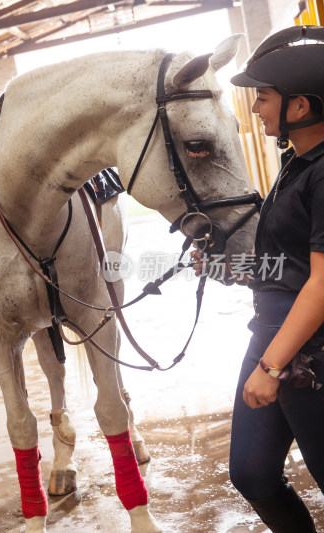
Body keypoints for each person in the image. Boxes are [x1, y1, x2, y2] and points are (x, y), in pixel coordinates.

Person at [221, 25, 324, 532]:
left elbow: (323, 283)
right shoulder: (295, 164)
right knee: (252, 473)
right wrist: (232, 267)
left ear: (300, 106)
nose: (256, 108)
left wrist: (272, 365)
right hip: (272, 335)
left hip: (310, 352)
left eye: (262, 98)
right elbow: (292, 264)